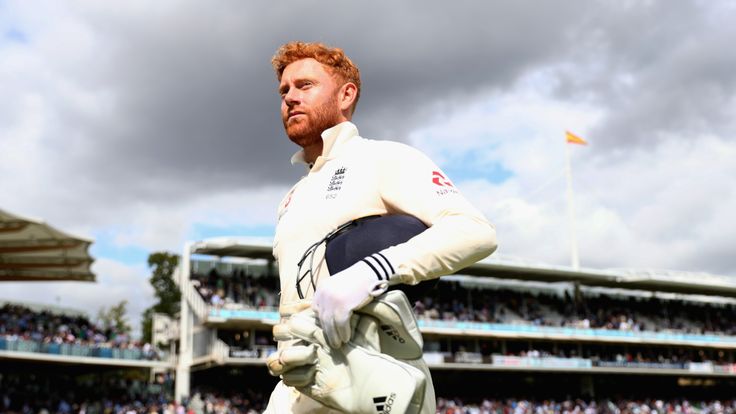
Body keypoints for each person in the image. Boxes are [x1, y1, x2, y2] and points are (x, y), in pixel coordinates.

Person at [265, 41, 497, 413]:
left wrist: (373, 270)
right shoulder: (291, 197)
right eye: (284, 91)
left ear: (346, 95)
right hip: (298, 383)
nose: (290, 97)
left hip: (373, 381)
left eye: (305, 85)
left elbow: (474, 232)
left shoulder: (382, 157)